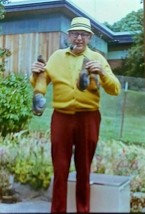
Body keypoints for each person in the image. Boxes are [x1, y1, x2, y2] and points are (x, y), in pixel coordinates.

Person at [30, 16, 121, 213]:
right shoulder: (56, 57)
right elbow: (43, 82)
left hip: (88, 118)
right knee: (60, 168)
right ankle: (58, 210)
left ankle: (83, 209)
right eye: (75, 34)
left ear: (90, 37)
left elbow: (115, 89)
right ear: (69, 35)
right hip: (61, 117)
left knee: (83, 169)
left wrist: (103, 74)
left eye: (83, 34)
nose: (79, 38)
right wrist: (36, 74)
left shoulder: (97, 58)